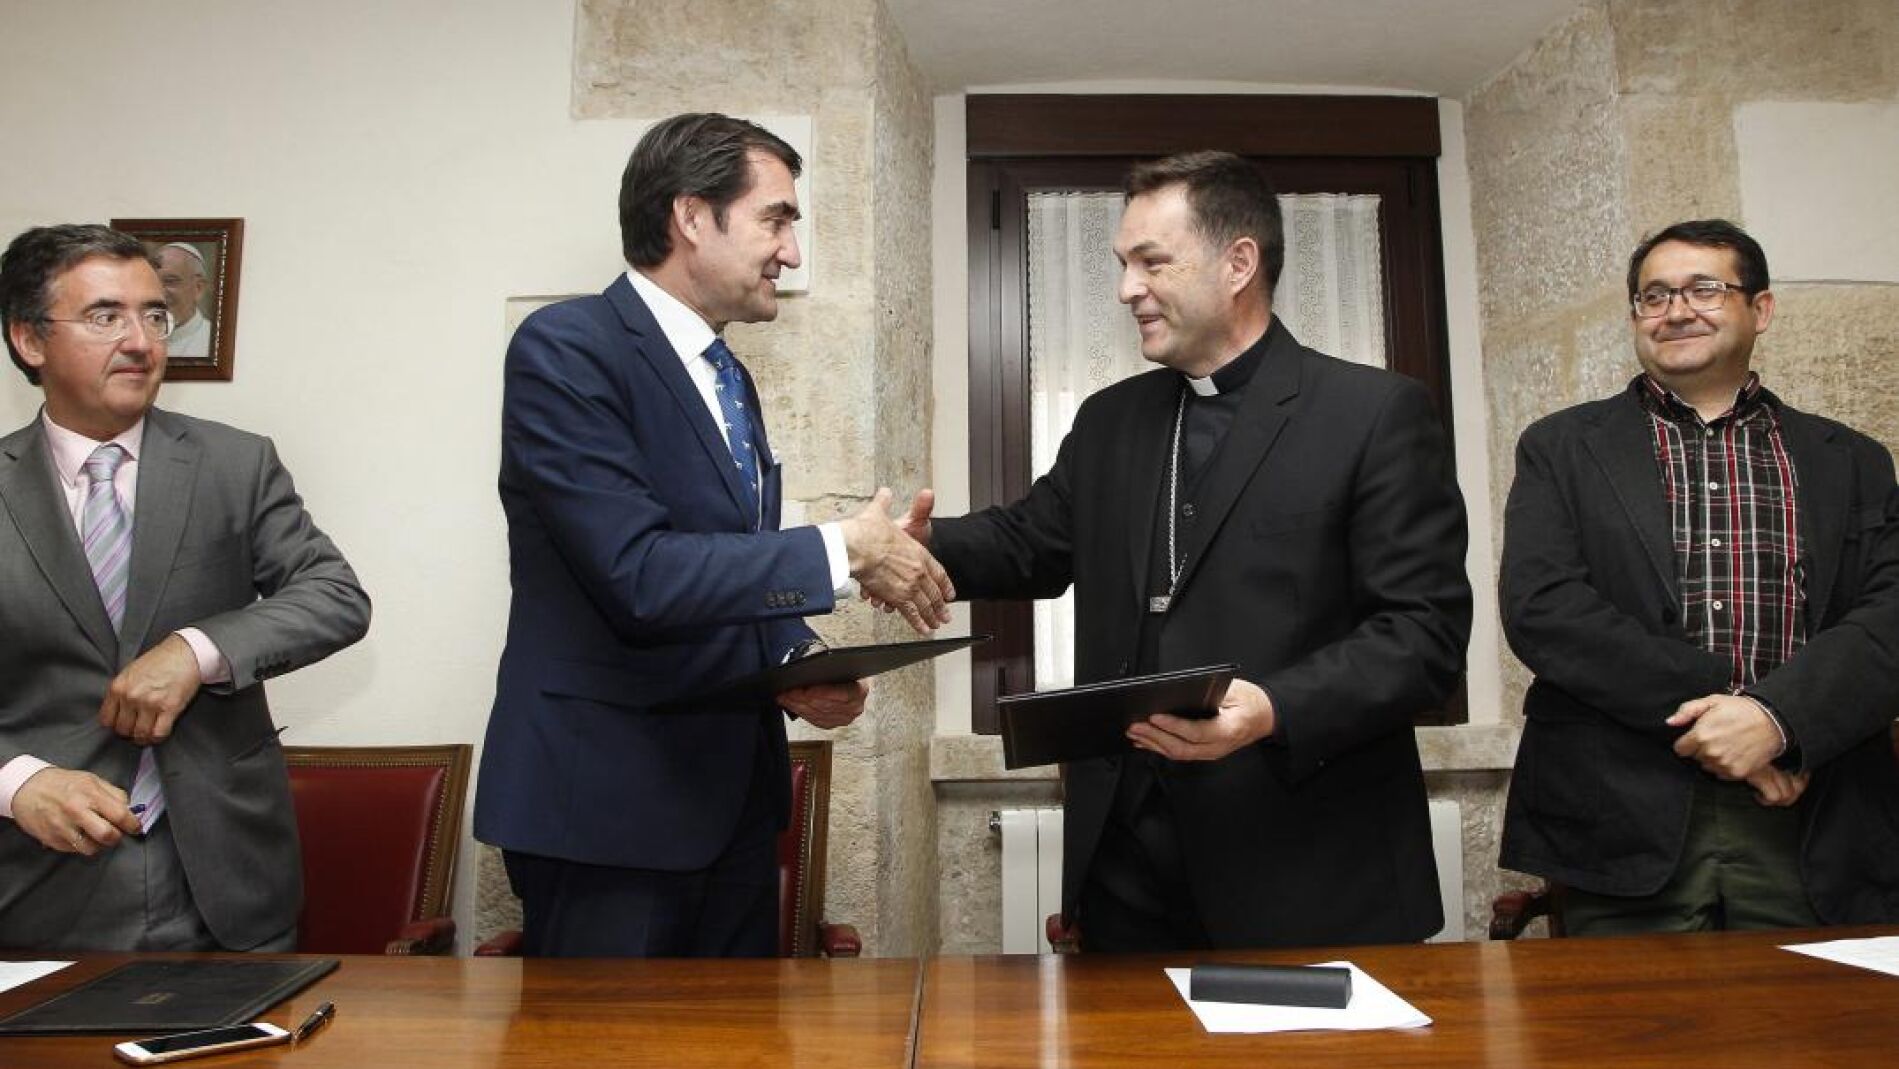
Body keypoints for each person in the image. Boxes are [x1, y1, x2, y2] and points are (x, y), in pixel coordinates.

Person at [912, 151, 1472, 951]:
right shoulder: (1110, 419)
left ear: (1237, 262)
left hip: (1303, 859)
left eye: (1151, 262)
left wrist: (1271, 708)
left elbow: (1422, 636)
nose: (1125, 288)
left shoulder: (1373, 413)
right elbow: (1029, 541)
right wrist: (912, 545)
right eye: (1121, 263)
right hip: (1123, 867)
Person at [473, 113, 954, 958]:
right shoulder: (567, 348)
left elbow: (721, 562)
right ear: (692, 217)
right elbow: (639, 573)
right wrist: (846, 547)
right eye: (776, 219)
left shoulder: (728, 376)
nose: (792, 253)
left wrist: (796, 664)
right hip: (607, 814)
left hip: (732, 808)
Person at [1499, 219, 1899, 934]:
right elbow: (1544, 608)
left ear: (1760, 309)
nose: (1676, 310)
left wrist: (1780, 720)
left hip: (1812, 809)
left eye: (1704, 289)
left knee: (1810, 1009)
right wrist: (1731, 719)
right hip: (1619, 811)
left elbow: (1887, 615)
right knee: (1630, 1011)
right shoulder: (1560, 447)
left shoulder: (1853, 460)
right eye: (1653, 296)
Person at [0, 224, 370, 952]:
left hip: (227, 887)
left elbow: (333, 593)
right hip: (37, 890)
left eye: (155, 315)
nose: (141, 341)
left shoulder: (234, 464)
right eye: (105, 316)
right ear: (30, 339)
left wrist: (197, 650)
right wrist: (17, 783)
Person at [154, 243, 210, 358]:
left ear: (198, 288)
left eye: (170, 281)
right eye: (153, 282)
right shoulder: (139, 337)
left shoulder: (212, 340)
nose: (159, 293)